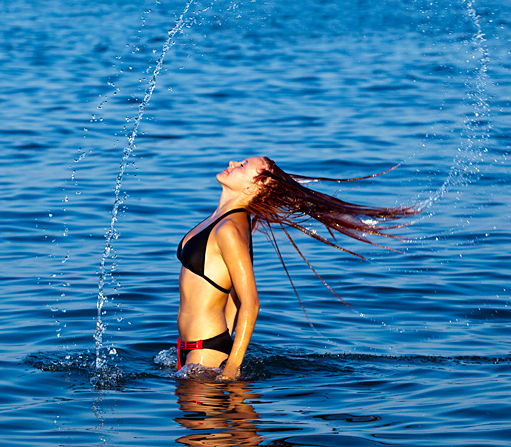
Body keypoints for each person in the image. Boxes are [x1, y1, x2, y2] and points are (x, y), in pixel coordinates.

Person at [176, 156, 418, 381]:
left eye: (242, 165)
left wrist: (231, 368)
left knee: (208, 427)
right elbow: (231, 294)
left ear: (252, 188)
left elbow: (251, 302)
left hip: (206, 354)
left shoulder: (230, 230)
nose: (232, 162)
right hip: (192, 351)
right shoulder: (222, 220)